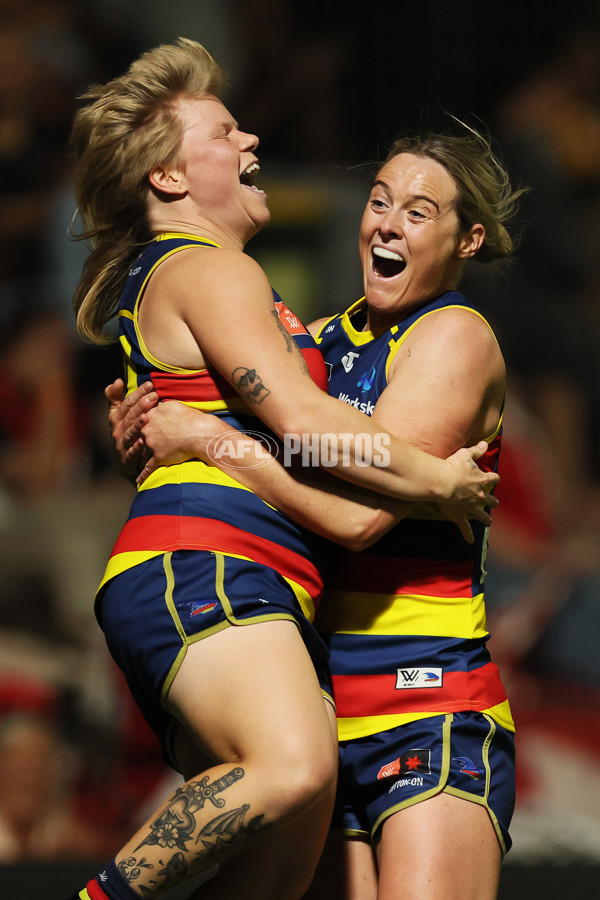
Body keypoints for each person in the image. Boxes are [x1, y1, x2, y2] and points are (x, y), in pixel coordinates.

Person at [67, 38, 497, 900]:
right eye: (226, 132)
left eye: (420, 211)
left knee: (268, 876)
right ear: (169, 179)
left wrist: (192, 439)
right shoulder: (226, 276)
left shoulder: (414, 332)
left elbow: (326, 496)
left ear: (469, 239)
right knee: (290, 766)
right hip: (223, 583)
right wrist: (434, 477)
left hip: (376, 665)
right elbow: (299, 430)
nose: (252, 141)